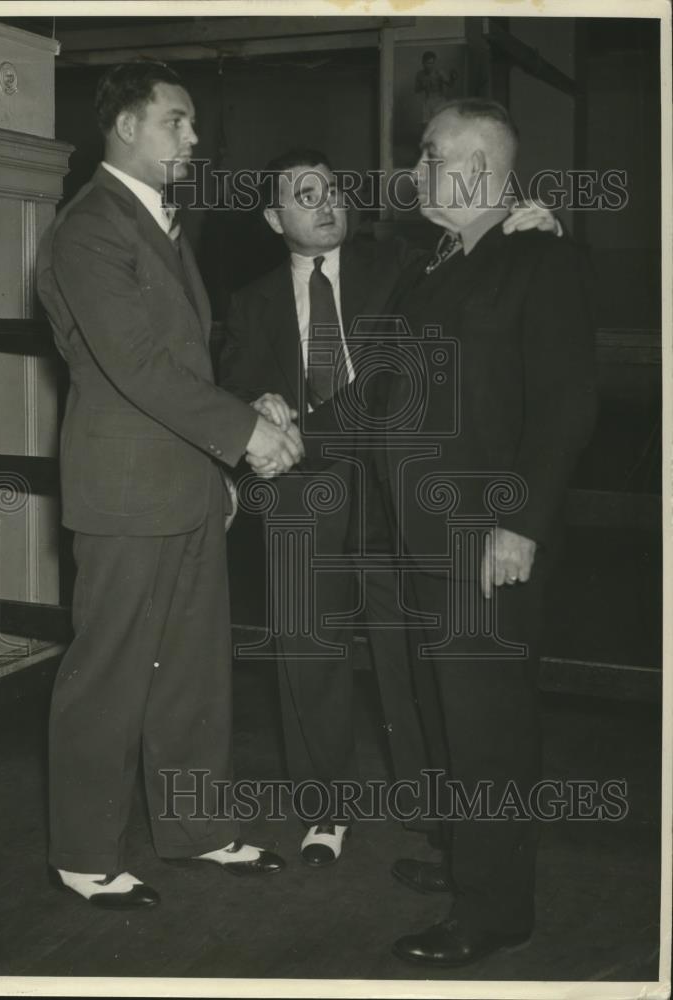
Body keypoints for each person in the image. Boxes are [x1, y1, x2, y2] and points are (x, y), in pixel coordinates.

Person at [219, 147, 561, 868]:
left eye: (333, 187)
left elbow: (481, 270)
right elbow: (236, 382)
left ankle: (428, 803)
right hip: (301, 489)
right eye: (304, 194)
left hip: (393, 486)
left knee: (409, 646)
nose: (325, 202)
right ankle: (324, 810)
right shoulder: (247, 300)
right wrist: (257, 400)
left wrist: (530, 225)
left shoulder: (403, 266)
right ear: (274, 217)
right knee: (308, 647)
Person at [35, 60, 303, 909]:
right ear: (125, 128)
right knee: (111, 671)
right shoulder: (89, 231)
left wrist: (235, 422)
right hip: (126, 492)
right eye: (177, 122)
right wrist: (246, 435)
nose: (194, 138)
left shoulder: (159, 225)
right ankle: (83, 853)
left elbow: (187, 360)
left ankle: (195, 829)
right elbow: (141, 368)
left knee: (191, 669)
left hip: (185, 484)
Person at [367, 98, 597, 966]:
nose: (416, 170)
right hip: (427, 538)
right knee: (451, 719)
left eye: (430, 156)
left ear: (481, 168)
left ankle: (495, 909)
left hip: (488, 542)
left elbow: (567, 405)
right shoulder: (436, 265)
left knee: (489, 728)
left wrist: (520, 525)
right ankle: (472, 859)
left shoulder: (542, 259)